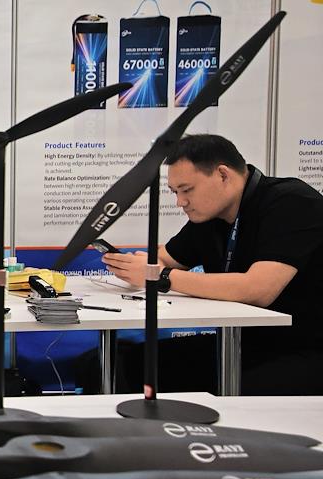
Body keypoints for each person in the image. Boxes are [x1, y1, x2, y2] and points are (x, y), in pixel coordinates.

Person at [97, 133, 323, 395]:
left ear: (223, 175)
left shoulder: (291, 202)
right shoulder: (208, 216)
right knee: (121, 364)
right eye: (175, 192)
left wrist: (160, 276)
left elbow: (258, 289)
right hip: (243, 343)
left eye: (187, 190)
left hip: (303, 348)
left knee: (235, 393)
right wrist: (136, 266)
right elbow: (165, 258)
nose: (180, 202)